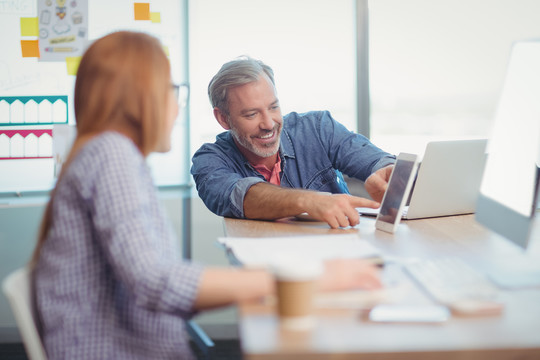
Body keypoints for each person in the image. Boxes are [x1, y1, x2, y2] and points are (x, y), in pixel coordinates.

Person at [31, 32, 382, 359]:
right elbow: (157, 283)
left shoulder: (102, 154)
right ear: (141, 98)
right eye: (170, 90)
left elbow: (155, 278)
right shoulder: (113, 157)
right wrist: (313, 277)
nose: (176, 106)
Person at [191, 57, 396, 229]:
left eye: (273, 107)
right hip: (266, 269)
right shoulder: (209, 161)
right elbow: (239, 196)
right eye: (252, 114)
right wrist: (308, 201)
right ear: (223, 119)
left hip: (340, 258)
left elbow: (377, 161)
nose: (269, 124)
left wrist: (388, 172)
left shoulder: (317, 128)